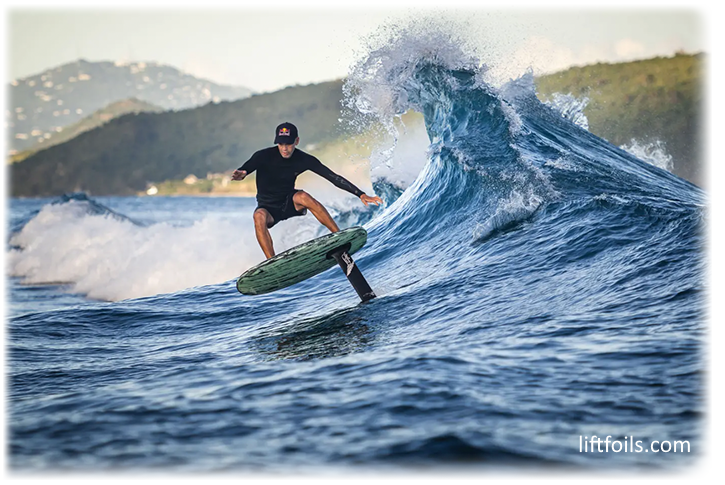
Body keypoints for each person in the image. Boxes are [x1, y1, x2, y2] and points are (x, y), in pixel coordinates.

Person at [232, 122, 383, 258]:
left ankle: (338, 236)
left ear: (296, 141)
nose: (284, 148)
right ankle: (271, 261)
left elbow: (333, 177)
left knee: (303, 196)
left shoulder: (304, 159)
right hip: (268, 208)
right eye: (281, 144)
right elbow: (247, 168)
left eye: (288, 144)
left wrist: (360, 194)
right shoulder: (263, 156)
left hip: (289, 203)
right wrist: (243, 173)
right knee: (258, 216)